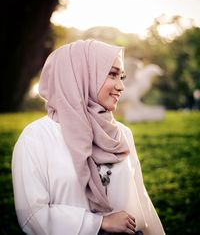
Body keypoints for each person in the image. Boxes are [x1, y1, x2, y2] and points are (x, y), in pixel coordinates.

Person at [12, 39, 165, 235]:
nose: (121, 87)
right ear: (81, 75)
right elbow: (32, 214)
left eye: (122, 77)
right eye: (112, 74)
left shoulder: (121, 133)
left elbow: (141, 201)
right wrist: (98, 223)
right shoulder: (36, 138)